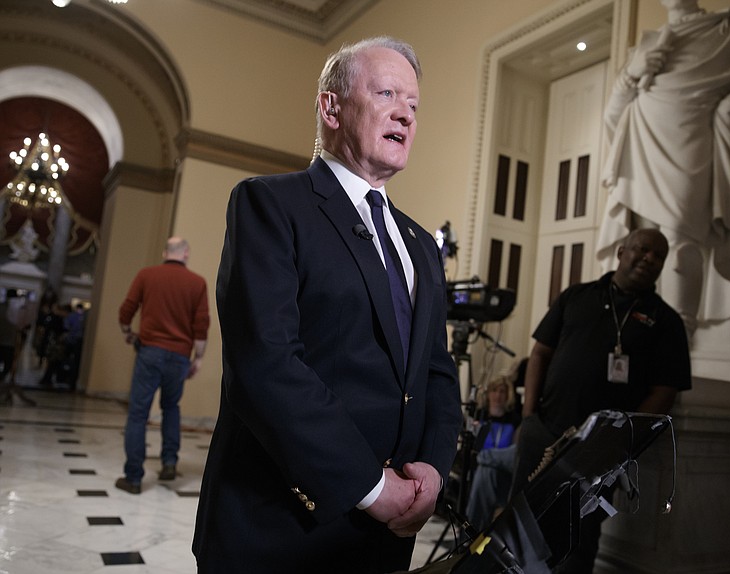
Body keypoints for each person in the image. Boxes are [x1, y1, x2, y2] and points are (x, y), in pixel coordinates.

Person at [192, 37, 463, 574]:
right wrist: (369, 485)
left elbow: (435, 371)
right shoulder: (270, 204)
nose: (405, 115)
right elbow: (265, 364)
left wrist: (432, 467)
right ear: (330, 107)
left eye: (413, 104)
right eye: (386, 93)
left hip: (384, 537)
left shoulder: (420, 245)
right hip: (280, 530)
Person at [598, 0, 730, 335]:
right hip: (641, 151)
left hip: (690, 149)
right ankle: (634, 334)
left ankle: (680, 339)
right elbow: (613, 117)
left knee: (680, 240)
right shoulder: (646, 45)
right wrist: (631, 74)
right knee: (640, 245)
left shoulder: (729, 32)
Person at [510, 228, 692, 573]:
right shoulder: (576, 296)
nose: (649, 258)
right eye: (642, 249)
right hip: (543, 432)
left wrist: (619, 443)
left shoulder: (666, 322)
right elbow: (539, 355)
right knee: (520, 527)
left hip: (598, 453)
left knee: (577, 540)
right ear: (622, 252)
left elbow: (665, 391)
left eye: (658, 256)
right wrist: (529, 416)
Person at [115, 237, 209, 494]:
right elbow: (201, 325)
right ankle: (169, 463)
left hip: (150, 352)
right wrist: (198, 358)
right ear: (186, 253)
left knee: (138, 414)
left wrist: (127, 332)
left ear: (165, 252)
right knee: (171, 407)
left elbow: (127, 310)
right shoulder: (197, 283)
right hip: (179, 357)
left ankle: (133, 478)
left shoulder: (147, 275)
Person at [464, 368, 522, 533]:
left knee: (486, 466)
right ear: (488, 394)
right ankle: (473, 533)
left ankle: (470, 533)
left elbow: (513, 454)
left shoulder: (515, 422)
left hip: (503, 476)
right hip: (479, 474)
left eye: (502, 391)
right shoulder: (479, 417)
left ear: (508, 395)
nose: (498, 395)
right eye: (494, 390)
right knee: (485, 470)